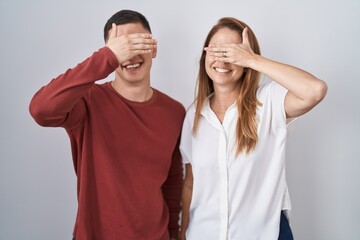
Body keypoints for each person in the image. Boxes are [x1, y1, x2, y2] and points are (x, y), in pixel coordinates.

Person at [29, 10, 185, 240]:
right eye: (123, 47)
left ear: (153, 48)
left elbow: (172, 183)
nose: (130, 56)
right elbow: (41, 110)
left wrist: (172, 234)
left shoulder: (174, 112)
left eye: (137, 44)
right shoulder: (87, 102)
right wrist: (107, 57)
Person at [180, 17, 327, 240]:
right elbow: (191, 183)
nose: (222, 59)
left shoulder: (268, 101)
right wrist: (183, 232)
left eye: (232, 52)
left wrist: (253, 60)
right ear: (204, 56)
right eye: (216, 50)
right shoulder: (193, 115)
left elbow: (315, 90)